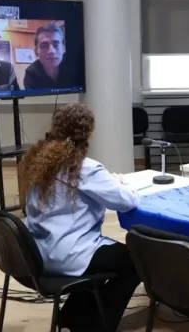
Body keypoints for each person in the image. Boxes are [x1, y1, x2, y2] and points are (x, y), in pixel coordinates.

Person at [22, 104, 140, 331]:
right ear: (89, 133)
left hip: (37, 252)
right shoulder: (86, 169)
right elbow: (127, 201)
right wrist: (119, 183)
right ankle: (97, 326)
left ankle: (73, 318)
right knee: (137, 260)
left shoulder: (40, 160)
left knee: (108, 259)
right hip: (68, 255)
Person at [24, 23, 81, 90]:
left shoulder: (74, 65)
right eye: (44, 46)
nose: (51, 51)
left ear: (63, 48)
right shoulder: (31, 73)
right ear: (36, 51)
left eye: (56, 45)